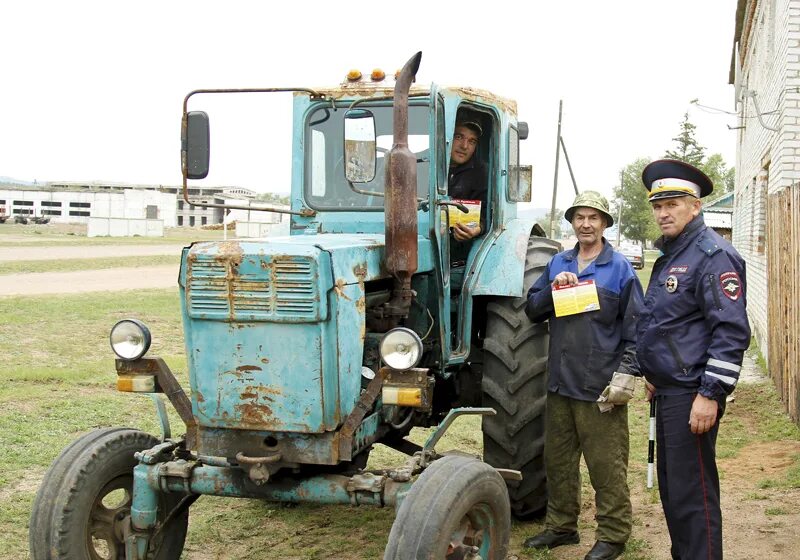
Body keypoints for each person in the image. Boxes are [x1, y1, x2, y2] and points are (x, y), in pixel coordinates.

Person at [637, 159, 750, 560]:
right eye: (657, 205)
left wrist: (711, 394)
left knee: (694, 496)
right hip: (669, 391)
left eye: (673, 204)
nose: (663, 213)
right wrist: (653, 373)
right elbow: (666, 322)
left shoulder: (712, 255)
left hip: (692, 395)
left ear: (696, 206)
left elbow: (731, 332)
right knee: (673, 491)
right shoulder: (673, 253)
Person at [523, 191, 643, 560]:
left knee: (606, 465)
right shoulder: (559, 262)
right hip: (560, 383)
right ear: (572, 222)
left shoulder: (619, 268)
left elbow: (637, 327)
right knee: (558, 462)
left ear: (605, 223)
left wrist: (627, 373)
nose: (586, 224)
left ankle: (613, 535)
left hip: (600, 389)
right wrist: (553, 290)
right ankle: (561, 527)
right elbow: (532, 309)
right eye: (579, 217)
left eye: (594, 217)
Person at [448, 119, 487, 242]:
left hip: (460, 246)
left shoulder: (480, 172)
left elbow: (487, 214)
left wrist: (478, 228)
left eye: (472, 141)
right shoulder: (426, 165)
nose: (464, 146)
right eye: (459, 137)